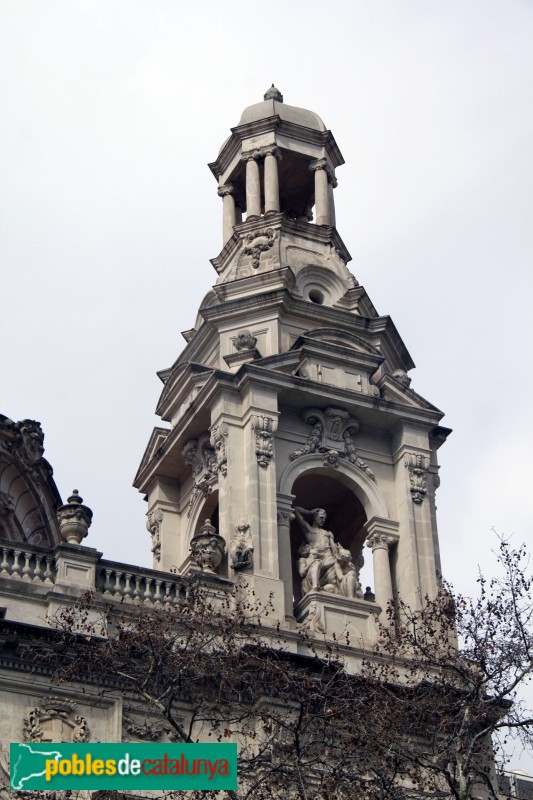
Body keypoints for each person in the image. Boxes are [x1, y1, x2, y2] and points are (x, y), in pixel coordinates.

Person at [293, 507, 338, 592]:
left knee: (337, 569)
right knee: (317, 563)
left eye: (324, 518)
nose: (323, 520)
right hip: (314, 558)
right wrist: (309, 512)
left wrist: (331, 538)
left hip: (327, 558)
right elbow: (296, 510)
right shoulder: (308, 530)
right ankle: (315, 586)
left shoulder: (326, 533)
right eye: (321, 518)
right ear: (315, 517)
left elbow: (334, 551)